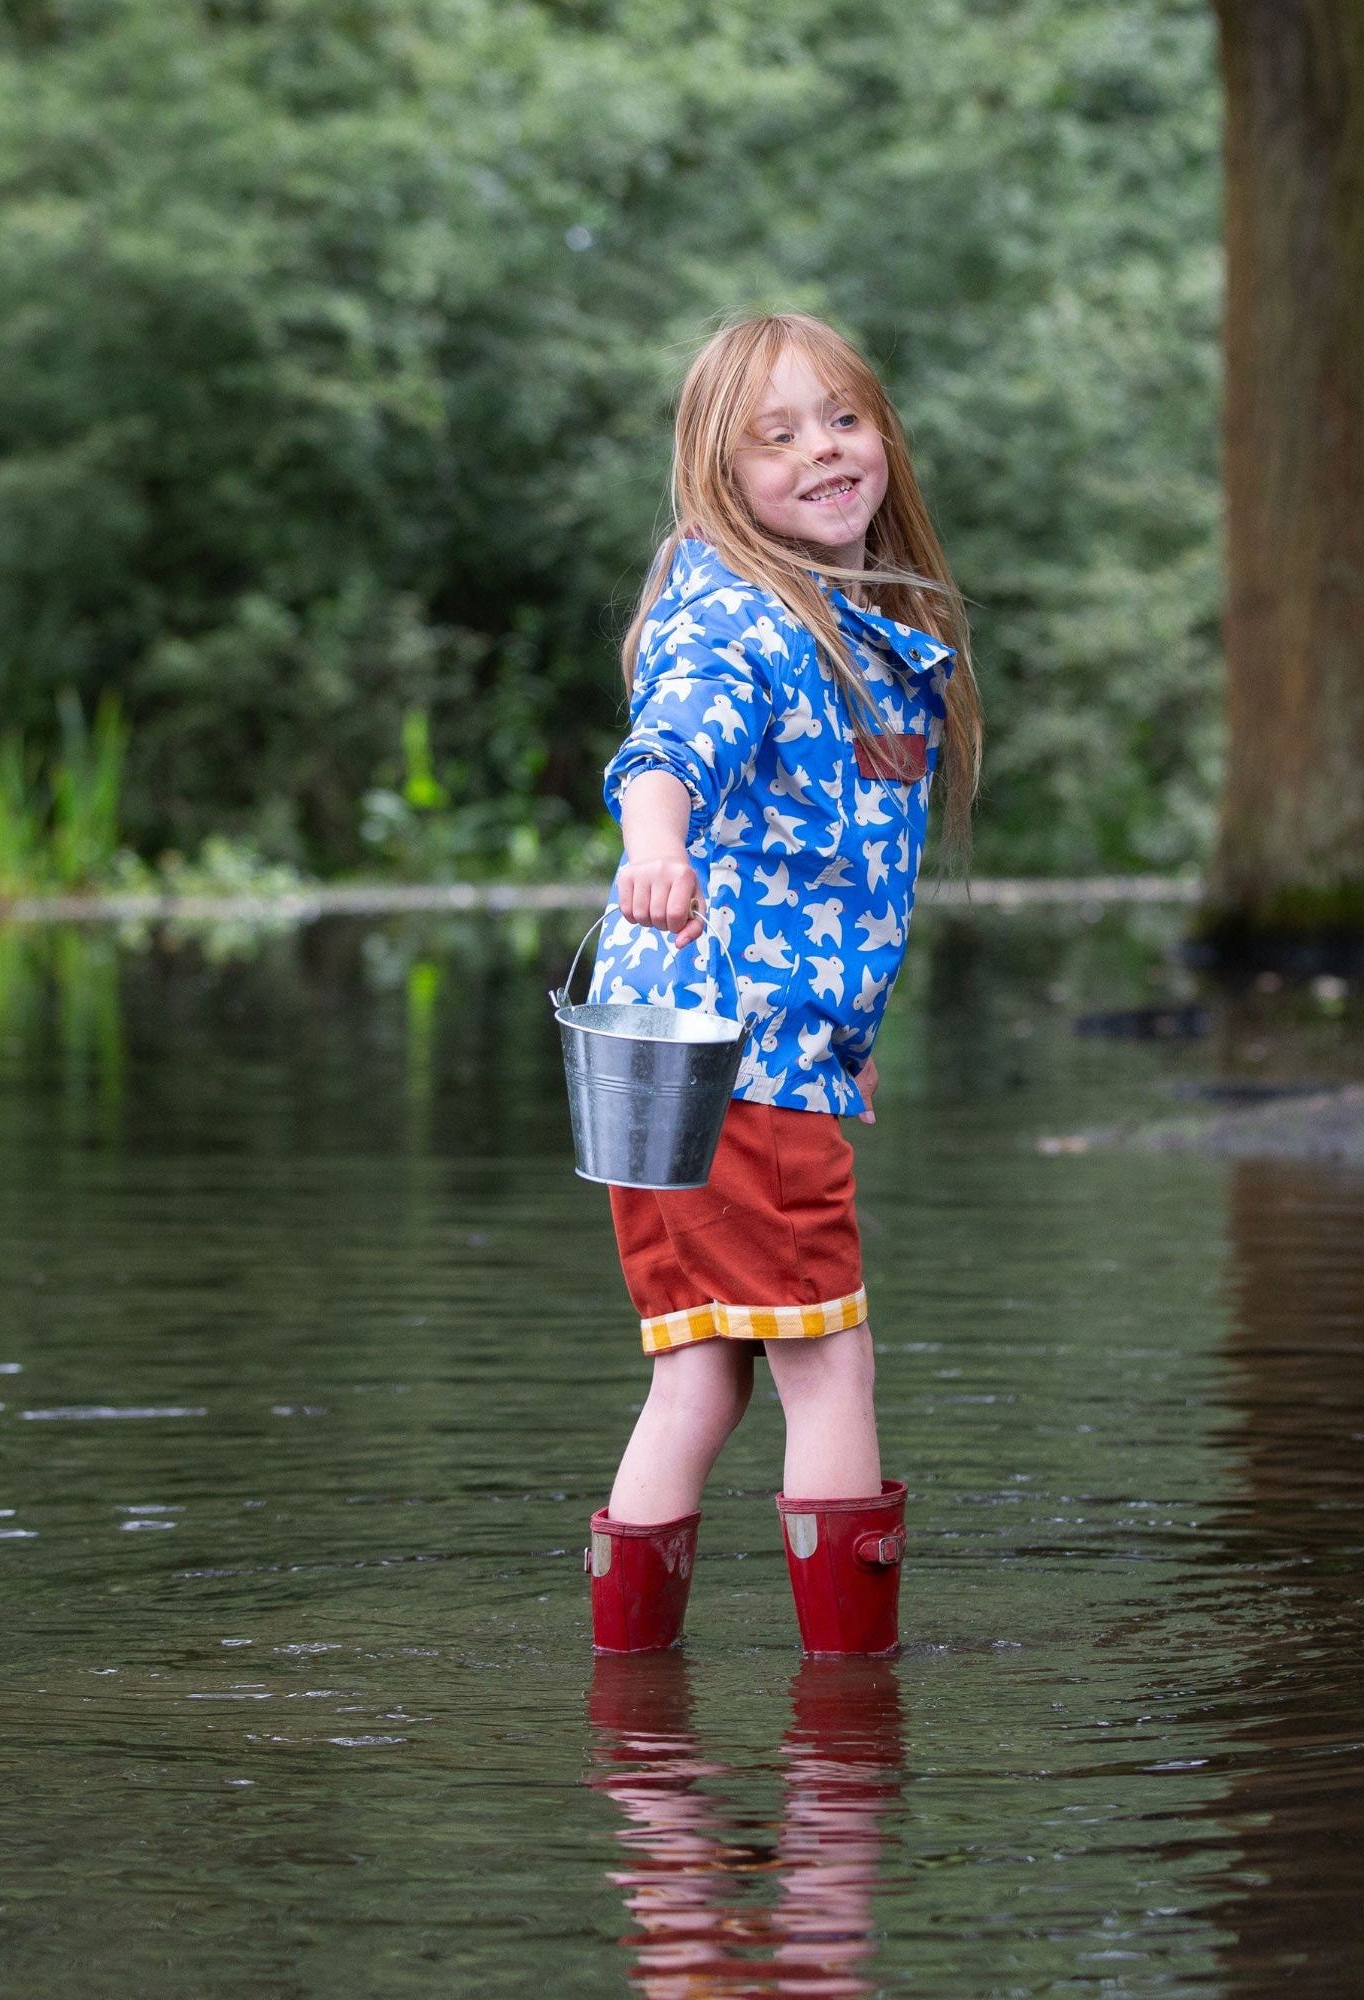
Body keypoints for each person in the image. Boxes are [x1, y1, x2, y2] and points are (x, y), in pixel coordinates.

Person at [581, 310, 983, 1657]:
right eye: (777, 436)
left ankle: (637, 1724)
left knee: (701, 1371)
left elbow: (829, 881)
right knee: (828, 1362)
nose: (822, 450)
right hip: (726, 1048)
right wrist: (654, 847)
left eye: (843, 419)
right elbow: (664, 749)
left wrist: (844, 1040)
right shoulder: (743, 622)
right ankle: (848, 1711)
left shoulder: (852, 626)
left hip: (675, 1056)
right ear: (721, 474)